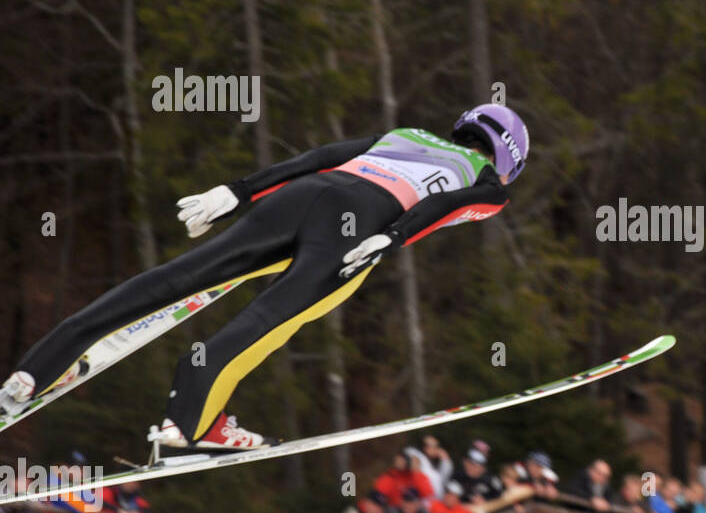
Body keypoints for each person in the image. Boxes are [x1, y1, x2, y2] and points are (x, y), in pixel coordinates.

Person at [0, 106, 529, 452]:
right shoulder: (490, 184)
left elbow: (318, 157)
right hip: (360, 225)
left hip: (305, 194)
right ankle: (189, 424)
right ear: (508, 160)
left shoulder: (405, 133)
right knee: (269, 321)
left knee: (174, 278)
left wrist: (239, 190)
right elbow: (445, 204)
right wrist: (392, 238)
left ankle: (33, 370)